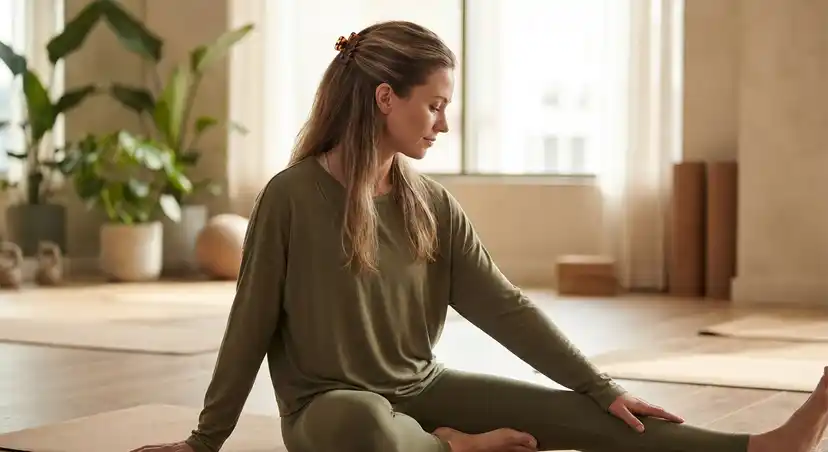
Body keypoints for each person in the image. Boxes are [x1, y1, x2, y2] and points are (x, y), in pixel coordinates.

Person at [132, 20, 827, 452]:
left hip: (424, 390)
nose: (442, 123)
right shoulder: (290, 197)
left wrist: (600, 385)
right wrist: (204, 441)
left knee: (593, 415)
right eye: (434, 105)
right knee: (366, 428)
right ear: (385, 99)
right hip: (329, 412)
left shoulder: (432, 204)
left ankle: (760, 449)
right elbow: (248, 324)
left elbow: (506, 308)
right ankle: (453, 449)